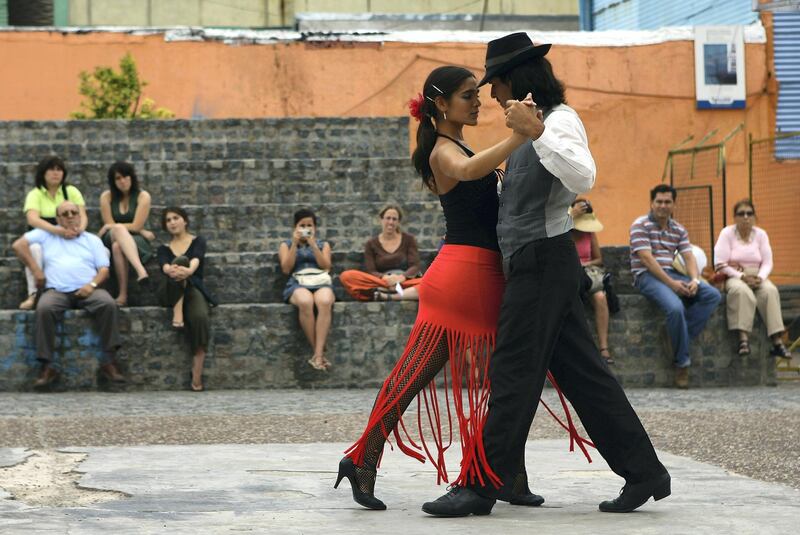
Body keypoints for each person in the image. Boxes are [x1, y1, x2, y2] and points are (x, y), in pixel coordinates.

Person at [423, 33, 670, 517]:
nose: (492, 96)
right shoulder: (526, 127)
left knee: (512, 373)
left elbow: (583, 177)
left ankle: (480, 484)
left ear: (515, 80)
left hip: (543, 262)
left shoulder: (559, 121)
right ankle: (644, 471)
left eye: (495, 84)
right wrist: (525, 134)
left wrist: (536, 133)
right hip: (537, 265)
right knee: (584, 377)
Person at [336, 65, 548, 512]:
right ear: (440, 104)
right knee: (421, 380)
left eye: (477, 94)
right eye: (468, 96)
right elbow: (471, 170)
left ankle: (506, 473)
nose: (477, 102)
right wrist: (521, 135)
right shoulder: (443, 152)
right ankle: (364, 459)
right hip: (463, 279)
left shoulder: (457, 143)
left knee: (504, 382)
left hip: (477, 276)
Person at [12, 201, 125, 389]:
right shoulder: (47, 235)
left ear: (81, 216)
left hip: (89, 289)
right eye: (65, 214)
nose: (71, 216)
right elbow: (18, 245)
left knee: (108, 304)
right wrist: (36, 270)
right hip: (56, 290)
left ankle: (109, 361)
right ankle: (47, 366)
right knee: (44, 308)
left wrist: (92, 285)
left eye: (74, 212)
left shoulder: (91, 239)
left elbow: (104, 269)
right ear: (58, 219)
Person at [630, 184, 722, 388]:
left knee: (712, 295)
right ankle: (682, 364)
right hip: (646, 276)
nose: (663, 205)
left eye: (667, 202)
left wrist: (695, 280)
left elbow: (689, 257)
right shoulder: (640, 225)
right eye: (659, 201)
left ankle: (676, 335)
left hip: (672, 273)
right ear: (651, 203)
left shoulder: (678, 229)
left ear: (674, 204)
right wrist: (672, 284)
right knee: (675, 308)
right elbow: (646, 259)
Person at [714, 199, 790, 358]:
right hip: (734, 273)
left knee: (770, 291)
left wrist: (760, 278)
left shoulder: (761, 234)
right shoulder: (727, 233)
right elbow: (720, 263)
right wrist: (742, 276)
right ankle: (743, 340)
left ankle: (777, 342)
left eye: (749, 213)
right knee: (741, 292)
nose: (746, 217)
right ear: (735, 217)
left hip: (757, 275)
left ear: (754, 216)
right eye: (741, 214)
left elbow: (768, 262)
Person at [156, 207, 217, 392]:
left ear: (185, 221)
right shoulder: (163, 249)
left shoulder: (197, 241)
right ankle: (177, 308)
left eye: (176, 218)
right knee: (179, 262)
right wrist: (174, 269)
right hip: (169, 290)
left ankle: (196, 371)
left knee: (200, 317)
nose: (172, 222)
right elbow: (165, 267)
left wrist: (189, 271)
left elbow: (196, 258)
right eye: (168, 220)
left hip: (193, 288)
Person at [19, 156, 88, 310]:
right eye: (51, 169)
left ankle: (88, 290)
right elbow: (33, 219)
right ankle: (33, 294)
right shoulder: (35, 194)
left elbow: (82, 215)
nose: (55, 173)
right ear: (43, 173)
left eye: (59, 169)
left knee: (102, 251)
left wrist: (79, 230)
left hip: (72, 236)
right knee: (33, 249)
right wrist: (58, 231)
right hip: (45, 238)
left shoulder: (71, 191)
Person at [279, 209, 335, 371]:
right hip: (298, 282)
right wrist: (295, 244)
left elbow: (326, 266)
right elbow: (286, 268)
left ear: (315, 227)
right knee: (305, 301)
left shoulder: (323, 244)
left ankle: (317, 355)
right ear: (295, 227)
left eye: (309, 225)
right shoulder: (286, 245)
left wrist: (313, 245)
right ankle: (319, 353)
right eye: (302, 225)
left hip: (320, 280)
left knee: (324, 301)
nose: (306, 228)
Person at [98, 161, 155, 306]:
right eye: (118, 178)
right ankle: (141, 271)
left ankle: (122, 295)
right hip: (110, 237)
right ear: (113, 181)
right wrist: (137, 228)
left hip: (135, 240)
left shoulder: (143, 196)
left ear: (132, 177)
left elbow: (136, 225)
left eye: (126, 176)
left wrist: (139, 229)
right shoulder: (107, 197)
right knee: (117, 231)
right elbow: (110, 225)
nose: (122, 181)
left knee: (118, 247)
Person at [340, 204, 423, 301]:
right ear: (381, 220)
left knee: (430, 282)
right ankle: (389, 290)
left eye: (394, 219)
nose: (391, 222)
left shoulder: (409, 239)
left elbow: (415, 266)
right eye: (388, 218)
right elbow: (371, 270)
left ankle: (387, 295)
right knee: (347, 276)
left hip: (404, 281)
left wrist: (402, 277)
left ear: (398, 222)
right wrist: (385, 278)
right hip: (381, 281)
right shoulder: (371, 243)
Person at [570, 199, 613, 364]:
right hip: (571, 275)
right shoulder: (565, 232)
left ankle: (604, 347)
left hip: (589, 275)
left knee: (601, 297)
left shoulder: (589, 234)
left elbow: (599, 259)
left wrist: (584, 264)